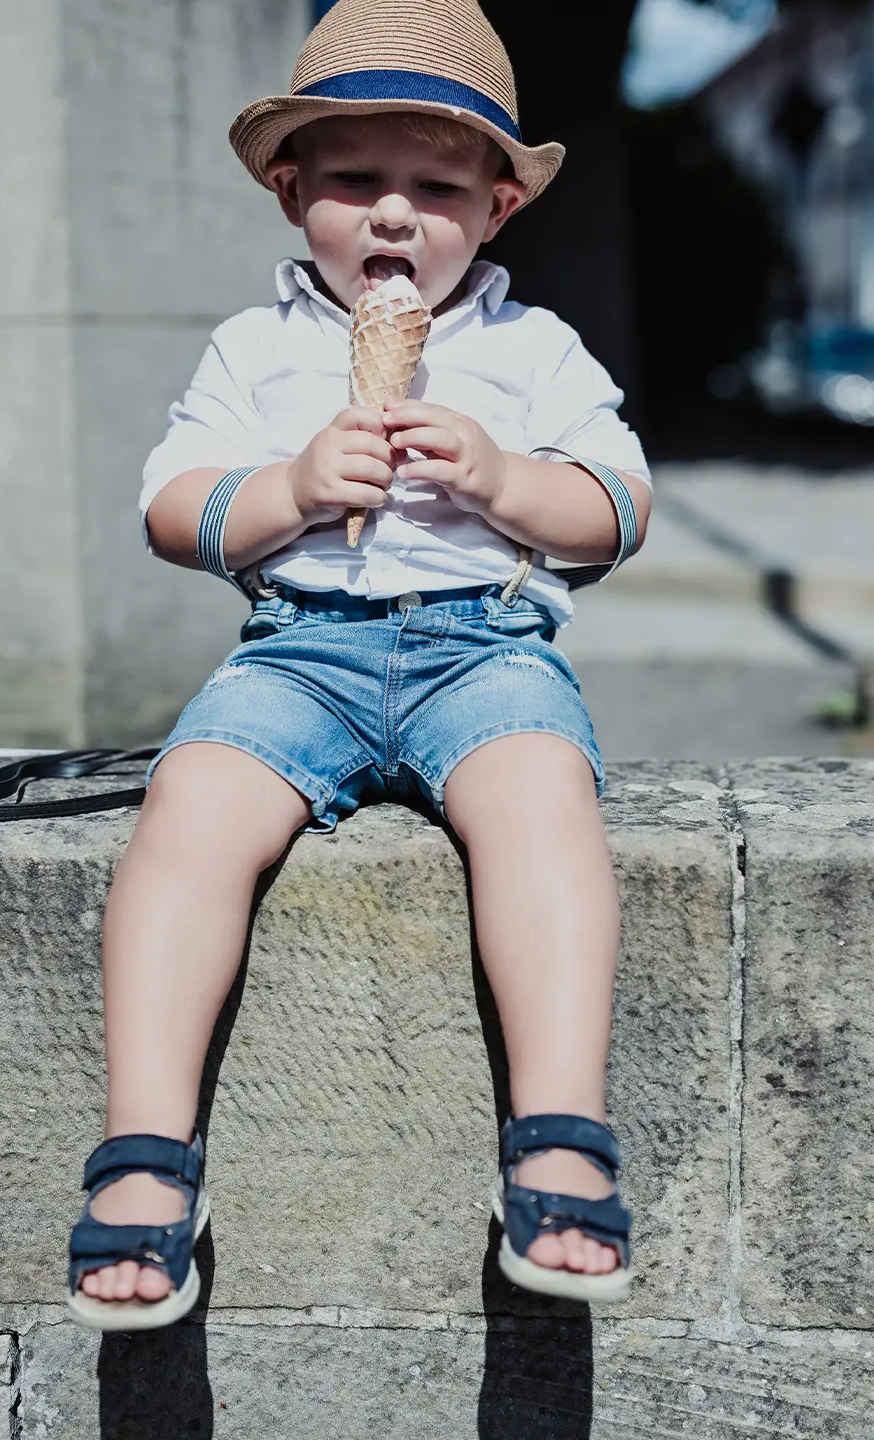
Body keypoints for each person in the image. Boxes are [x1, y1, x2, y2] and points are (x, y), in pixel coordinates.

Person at [66, 0, 652, 1332]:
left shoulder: (532, 350)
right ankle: (147, 1160)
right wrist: (281, 487)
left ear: (499, 208)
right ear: (290, 193)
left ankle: (560, 1135)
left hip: (482, 645)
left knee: (543, 809)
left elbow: (616, 508)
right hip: (300, 653)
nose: (395, 216)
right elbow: (173, 507)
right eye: (354, 181)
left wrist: (507, 479)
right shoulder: (253, 346)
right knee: (188, 819)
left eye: (437, 188)